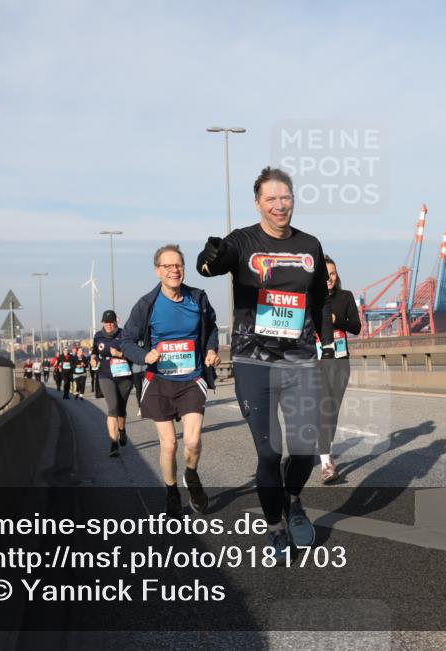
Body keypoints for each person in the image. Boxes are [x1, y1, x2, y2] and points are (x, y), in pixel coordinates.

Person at [197, 166, 333, 557]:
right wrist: (211, 257)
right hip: (254, 361)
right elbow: (212, 266)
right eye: (271, 199)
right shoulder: (243, 241)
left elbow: (320, 301)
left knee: (305, 447)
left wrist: (324, 347)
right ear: (258, 203)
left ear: (293, 200)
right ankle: (275, 526)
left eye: (285, 197)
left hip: (300, 359)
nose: (279, 205)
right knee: (270, 451)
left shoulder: (310, 245)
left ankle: (292, 500)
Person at [119, 244, 219, 516]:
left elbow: (211, 328)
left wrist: (211, 350)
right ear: (157, 271)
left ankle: (192, 475)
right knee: (169, 443)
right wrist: (145, 355)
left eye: (178, 265)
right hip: (159, 380)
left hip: (191, 378)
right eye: (168, 266)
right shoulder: (147, 304)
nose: (174, 270)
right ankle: (172, 491)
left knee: (193, 441)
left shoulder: (197, 298)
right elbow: (125, 340)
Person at [317, 255, 361, 483]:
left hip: (341, 361)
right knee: (325, 408)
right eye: (325, 274)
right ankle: (325, 463)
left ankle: (326, 451)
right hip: (317, 362)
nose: (329, 278)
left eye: (332, 273)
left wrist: (335, 319)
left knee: (332, 411)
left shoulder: (345, 297)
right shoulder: (310, 299)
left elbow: (357, 327)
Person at [92, 310, 133, 456]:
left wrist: (120, 354)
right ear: (102, 322)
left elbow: (134, 354)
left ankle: (122, 430)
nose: (109, 325)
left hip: (124, 376)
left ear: (117, 321)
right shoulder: (98, 336)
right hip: (105, 375)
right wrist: (93, 357)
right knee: (113, 408)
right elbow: (94, 351)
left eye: (111, 322)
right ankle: (113, 443)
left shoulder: (125, 335)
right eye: (106, 322)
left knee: (121, 408)